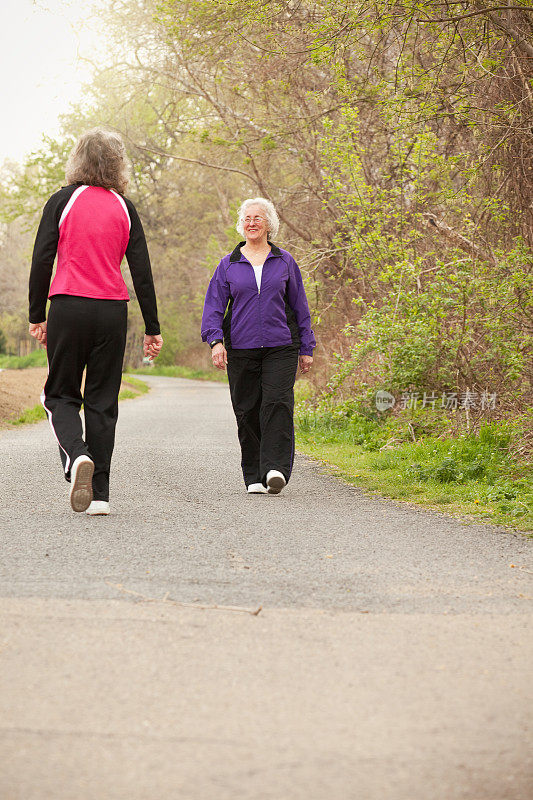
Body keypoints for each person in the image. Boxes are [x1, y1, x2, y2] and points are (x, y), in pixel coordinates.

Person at [28, 128, 163, 515]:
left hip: (69, 307)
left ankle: (76, 458)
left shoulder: (61, 201)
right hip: (112, 313)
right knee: (103, 403)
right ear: (118, 165)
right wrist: (152, 327)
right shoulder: (125, 207)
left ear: (77, 160)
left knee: (59, 396)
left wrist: (38, 315)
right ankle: (100, 496)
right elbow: (142, 271)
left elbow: (42, 260)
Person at [201, 197, 315, 495]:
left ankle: (275, 469)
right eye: (247, 218)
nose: (252, 223)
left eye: (258, 218)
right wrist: (215, 342)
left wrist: (306, 347)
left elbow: (300, 307)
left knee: (277, 404)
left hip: (282, 346)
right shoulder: (228, 264)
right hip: (241, 347)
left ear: (268, 224)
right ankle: (253, 475)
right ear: (242, 225)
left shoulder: (285, 261)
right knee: (247, 409)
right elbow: (214, 307)